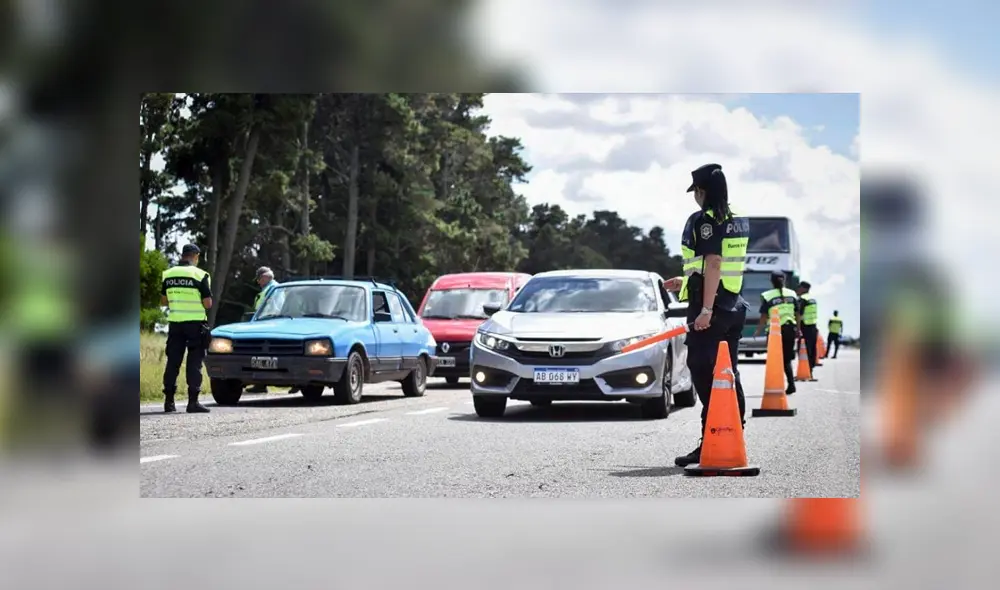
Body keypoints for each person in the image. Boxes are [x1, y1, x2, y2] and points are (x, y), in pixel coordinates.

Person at [663, 163, 750, 468]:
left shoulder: (707, 220)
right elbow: (720, 265)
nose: (695, 198)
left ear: (703, 191)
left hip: (712, 307)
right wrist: (684, 280)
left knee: (703, 368)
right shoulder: (738, 217)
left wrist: (705, 310)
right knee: (726, 370)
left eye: (696, 192)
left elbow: (714, 263)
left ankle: (716, 434)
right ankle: (732, 428)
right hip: (733, 303)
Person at [160, 244, 212, 413]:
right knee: (194, 362)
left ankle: (169, 402)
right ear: (195, 256)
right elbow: (208, 303)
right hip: (196, 324)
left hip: (175, 323)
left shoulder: (168, 274)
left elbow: (163, 301)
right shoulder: (201, 275)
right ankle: (193, 402)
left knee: (173, 362)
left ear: (183, 255)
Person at [752, 271, 798, 394]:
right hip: (790, 329)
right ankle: (791, 384)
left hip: (775, 332)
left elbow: (764, 315)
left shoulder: (767, 295)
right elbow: (797, 313)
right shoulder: (792, 294)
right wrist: (798, 329)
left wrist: (758, 330)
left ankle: (777, 385)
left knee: (775, 359)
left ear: (771, 281)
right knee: (787, 359)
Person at [247, 266, 282, 394]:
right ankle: (260, 384)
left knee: (264, 355)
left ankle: (261, 384)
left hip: (269, 325)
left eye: (259, 279)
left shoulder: (273, 289)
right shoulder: (271, 289)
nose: (258, 282)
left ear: (266, 277)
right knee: (261, 356)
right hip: (264, 324)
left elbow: (274, 309)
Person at [795, 281, 820, 374]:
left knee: (803, 349)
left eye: (799, 287)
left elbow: (799, 315)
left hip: (804, 326)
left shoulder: (802, 299)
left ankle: (805, 369)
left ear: (804, 289)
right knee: (812, 348)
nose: (797, 289)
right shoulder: (813, 299)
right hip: (813, 326)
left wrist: (797, 329)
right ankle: (810, 368)